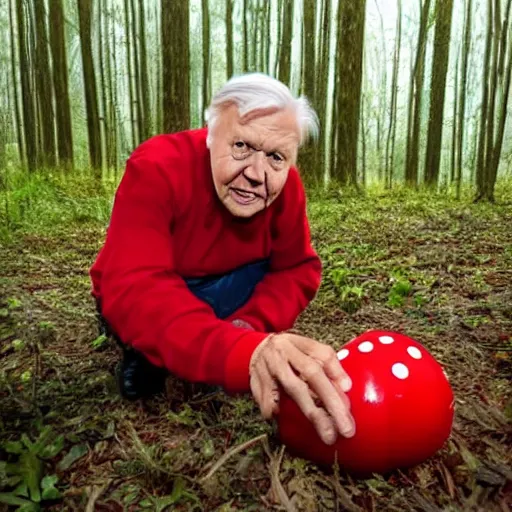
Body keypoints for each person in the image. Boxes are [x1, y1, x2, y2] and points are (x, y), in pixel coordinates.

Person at [89, 73, 355, 446]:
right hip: (163, 286)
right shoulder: (157, 167)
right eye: (242, 146)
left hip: (228, 288)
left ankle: (207, 339)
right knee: (140, 322)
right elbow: (135, 287)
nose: (256, 174)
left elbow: (297, 268)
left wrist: (249, 326)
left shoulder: (286, 187)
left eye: (277, 157)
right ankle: (145, 353)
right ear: (211, 135)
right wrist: (241, 353)